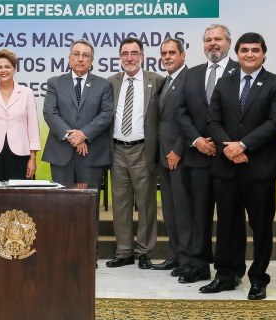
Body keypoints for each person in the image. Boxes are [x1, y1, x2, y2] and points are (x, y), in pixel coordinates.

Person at [199, 32, 276, 300]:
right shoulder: (224, 83)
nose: (249, 54)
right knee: (226, 224)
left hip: (259, 168)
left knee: (261, 226)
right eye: (244, 50)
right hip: (227, 166)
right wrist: (229, 147)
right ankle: (226, 274)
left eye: (255, 50)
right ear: (237, 53)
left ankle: (258, 279)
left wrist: (243, 145)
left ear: (264, 53)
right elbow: (212, 121)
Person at [176, 24, 240, 284]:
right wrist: (196, 140)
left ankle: (231, 270)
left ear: (228, 42)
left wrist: (222, 142)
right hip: (198, 156)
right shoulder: (192, 74)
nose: (213, 43)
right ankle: (198, 265)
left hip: (230, 158)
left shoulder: (241, 71)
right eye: (208, 40)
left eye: (218, 39)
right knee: (199, 214)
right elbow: (181, 112)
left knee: (230, 217)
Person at [105, 37, 163, 270]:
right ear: (119, 57)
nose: (129, 58)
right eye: (125, 54)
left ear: (142, 56)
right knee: (120, 204)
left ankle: (144, 251)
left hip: (143, 149)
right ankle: (124, 251)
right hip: (117, 149)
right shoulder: (111, 83)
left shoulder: (156, 81)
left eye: (134, 53)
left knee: (146, 203)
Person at [42, 38, 113, 186]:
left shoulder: (104, 85)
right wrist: (71, 136)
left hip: (92, 154)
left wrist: (83, 134)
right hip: (61, 153)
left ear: (91, 60)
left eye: (85, 55)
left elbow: (106, 114)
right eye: (76, 54)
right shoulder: (54, 83)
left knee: (88, 203)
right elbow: (50, 113)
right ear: (69, 59)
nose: (80, 59)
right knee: (62, 203)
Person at [151, 38, 190, 273]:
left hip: (180, 156)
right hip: (163, 157)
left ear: (182, 56)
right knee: (170, 211)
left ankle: (187, 260)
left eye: (172, 53)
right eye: (163, 53)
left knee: (184, 211)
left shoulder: (190, 79)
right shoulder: (165, 81)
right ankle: (174, 255)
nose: (167, 57)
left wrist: (178, 150)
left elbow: (192, 119)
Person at [0, 49, 40, 181]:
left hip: (21, 154)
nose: (3, 70)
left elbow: (33, 127)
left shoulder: (27, 93)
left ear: (15, 68)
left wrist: (32, 158)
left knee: (18, 198)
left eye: (7, 66)